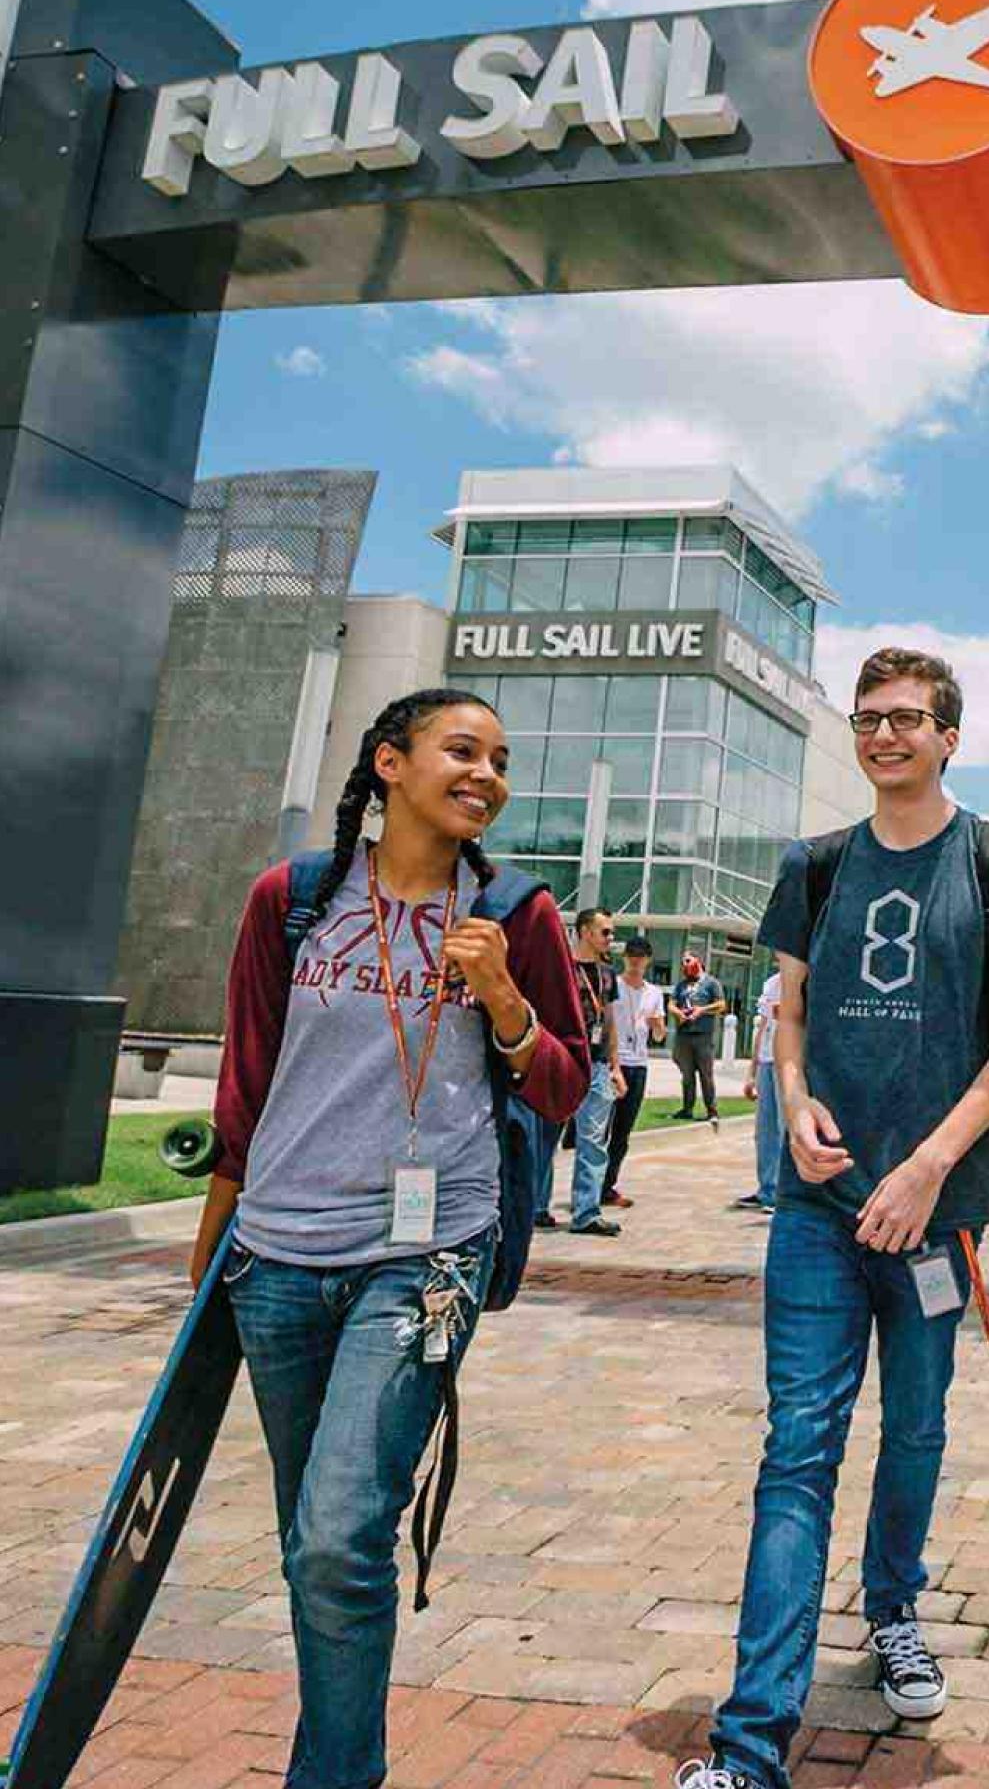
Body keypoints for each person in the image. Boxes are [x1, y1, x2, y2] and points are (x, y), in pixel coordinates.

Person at [678, 646, 989, 1789]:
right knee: (797, 1447)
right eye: (868, 718)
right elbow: (787, 1018)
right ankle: (750, 1745)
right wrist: (792, 1101)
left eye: (908, 718)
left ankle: (892, 1602)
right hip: (818, 1207)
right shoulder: (813, 865)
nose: (885, 735)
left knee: (917, 1425)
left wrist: (929, 1168)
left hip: (938, 1214)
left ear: (951, 734)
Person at [188, 687, 589, 1789]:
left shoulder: (519, 912)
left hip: (427, 1253)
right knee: (316, 1540)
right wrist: (215, 1237)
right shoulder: (295, 898)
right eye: (463, 750)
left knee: (335, 1535)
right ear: (390, 761)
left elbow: (564, 1085)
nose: (487, 773)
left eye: (500, 758)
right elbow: (248, 1078)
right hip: (277, 1249)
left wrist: (503, 994)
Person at [566, 907, 624, 1237]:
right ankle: (538, 1209)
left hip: (598, 1065)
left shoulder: (606, 973)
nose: (610, 938)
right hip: (565, 1063)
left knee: (593, 1141)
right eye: (605, 932)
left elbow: (611, 1021)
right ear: (586, 932)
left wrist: (615, 1066)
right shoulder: (563, 969)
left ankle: (586, 1212)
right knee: (547, 1142)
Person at [605, 935, 668, 1209]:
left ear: (648, 960)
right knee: (600, 1129)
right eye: (632, 955)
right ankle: (590, 1186)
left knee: (622, 1132)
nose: (636, 961)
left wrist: (657, 1025)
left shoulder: (654, 993)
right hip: (613, 1062)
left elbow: (659, 1035)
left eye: (641, 956)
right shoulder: (613, 986)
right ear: (625, 957)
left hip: (639, 1064)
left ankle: (608, 1185)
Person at [736, 967, 784, 1213]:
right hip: (767, 1060)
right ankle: (767, 1189)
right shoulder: (771, 983)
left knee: (785, 1129)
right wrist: (752, 1072)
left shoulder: (808, 980)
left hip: (789, 1064)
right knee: (765, 1131)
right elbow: (763, 1027)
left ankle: (784, 1195)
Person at [671, 950, 725, 1123]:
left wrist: (702, 1010)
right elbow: (671, 1004)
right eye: (682, 962)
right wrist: (679, 1013)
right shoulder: (681, 986)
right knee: (687, 1075)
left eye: (687, 960)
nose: (684, 965)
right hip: (684, 1035)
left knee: (705, 1074)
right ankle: (687, 1109)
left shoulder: (711, 983)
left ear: (698, 960)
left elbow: (721, 1005)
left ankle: (712, 1110)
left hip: (703, 1037)